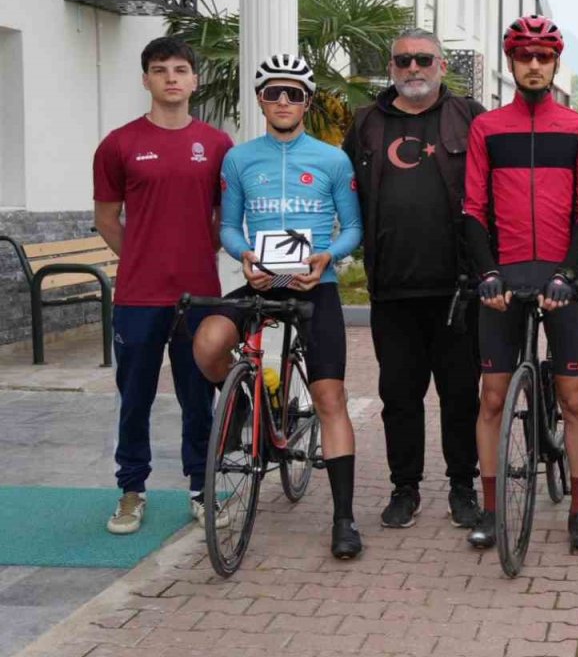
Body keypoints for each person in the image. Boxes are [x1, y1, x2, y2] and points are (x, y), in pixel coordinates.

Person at [193, 54, 365, 559]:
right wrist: (242, 253)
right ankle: (247, 404)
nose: (283, 101)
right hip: (261, 280)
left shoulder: (333, 159)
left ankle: (344, 519)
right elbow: (227, 224)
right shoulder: (240, 159)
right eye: (274, 93)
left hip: (316, 283)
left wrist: (327, 255)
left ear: (307, 101)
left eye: (293, 93)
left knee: (331, 397)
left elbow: (353, 226)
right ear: (261, 99)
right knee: (207, 345)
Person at [461, 15, 578, 551]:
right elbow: (473, 210)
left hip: (560, 276)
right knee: (493, 397)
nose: (535, 65)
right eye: (526, 56)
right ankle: (493, 509)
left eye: (544, 57)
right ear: (512, 63)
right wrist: (487, 273)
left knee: (574, 398)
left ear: (556, 63)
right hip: (504, 274)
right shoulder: (488, 128)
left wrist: (569, 273)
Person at [343, 28, 486, 531]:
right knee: (398, 398)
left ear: (442, 66)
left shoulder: (471, 117)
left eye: (424, 59)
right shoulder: (366, 124)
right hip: (392, 289)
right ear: (391, 66)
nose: (413, 68)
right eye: (403, 60)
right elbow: (344, 194)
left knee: (461, 396)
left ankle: (462, 486)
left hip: (458, 290)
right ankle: (405, 488)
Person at [93, 36, 235, 535]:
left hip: (199, 295)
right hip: (139, 297)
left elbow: (225, 216)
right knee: (135, 397)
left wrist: (201, 250)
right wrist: (142, 259)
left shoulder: (218, 146)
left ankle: (201, 487)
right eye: (160, 70)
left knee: (198, 397)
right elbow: (107, 218)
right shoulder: (118, 144)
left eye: (180, 69)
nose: (171, 78)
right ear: (146, 79)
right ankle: (132, 491)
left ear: (194, 80)